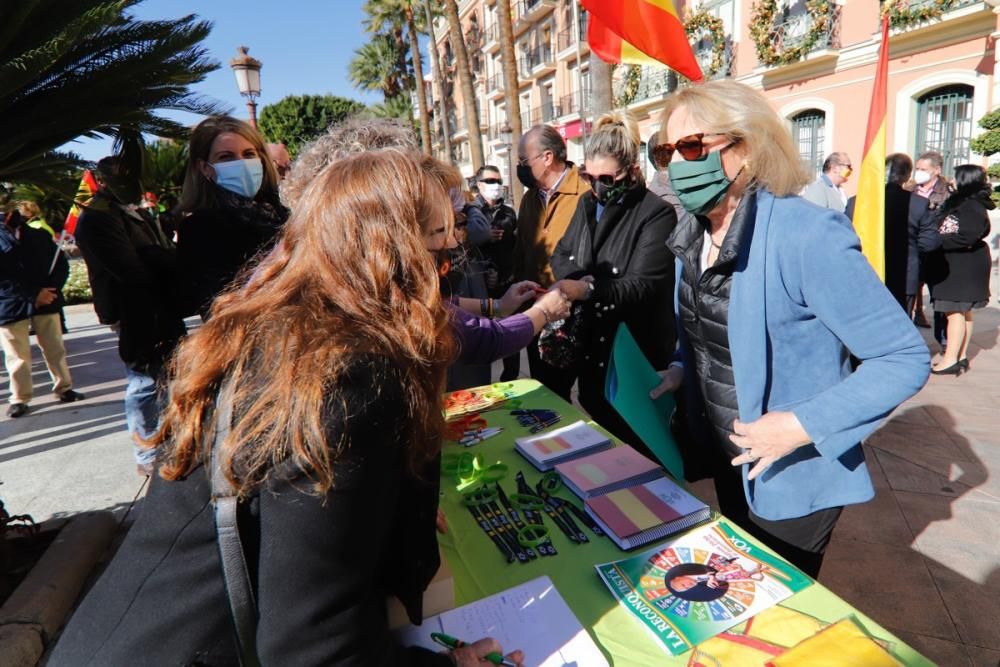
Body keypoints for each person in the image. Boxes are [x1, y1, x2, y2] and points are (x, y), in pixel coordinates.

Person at [48, 150, 523, 667]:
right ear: (392, 252)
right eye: (439, 240)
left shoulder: (280, 329)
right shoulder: (354, 379)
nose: (451, 256)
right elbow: (312, 649)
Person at [649, 80, 929, 578]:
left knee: (774, 602)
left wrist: (797, 427)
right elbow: (701, 325)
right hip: (729, 454)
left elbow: (902, 357)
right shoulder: (689, 233)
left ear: (749, 149)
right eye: (666, 150)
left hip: (792, 468)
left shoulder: (807, 235)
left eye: (693, 146)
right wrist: (678, 366)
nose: (676, 164)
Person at [285, 117, 573, 377]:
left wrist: (497, 305)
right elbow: (482, 337)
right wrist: (543, 311)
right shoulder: (349, 328)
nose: (450, 242)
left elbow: (439, 307)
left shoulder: (359, 282)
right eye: (436, 230)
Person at [549, 111, 677, 446]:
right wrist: (576, 282)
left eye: (606, 178)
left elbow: (643, 285)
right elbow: (560, 254)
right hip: (591, 344)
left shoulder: (657, 213)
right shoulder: (585, 204)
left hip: (632, 351)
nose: (596, 187)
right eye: (588, 177)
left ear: (633, 170)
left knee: (637, 444)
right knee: (601, 428)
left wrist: (588, 288)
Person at [75, 156, 186, 475]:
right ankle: (147, 453)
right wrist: (163, 261)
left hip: (157, 307)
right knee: (145, 382)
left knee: (166, 377)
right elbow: (130, 269)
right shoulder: (98, 218)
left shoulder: (128, 209)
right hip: (134, 311)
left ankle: (171, 442)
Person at [176, 115, 289, 319]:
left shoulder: (284, 214)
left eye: (248, 154)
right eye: (226, 157)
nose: (242, 164)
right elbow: (215, 306)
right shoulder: (199, 229)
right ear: (204, 167)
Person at [512, 125, 589, 399]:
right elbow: (522, 250)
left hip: (577, 313)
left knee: (588, 395)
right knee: (547, 393)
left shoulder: (586, 191)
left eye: (523, 161)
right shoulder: (529, 199)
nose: (519, 168)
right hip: (537, 310)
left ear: (547, 157)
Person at [0, 210, 83, 418]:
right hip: (11, 305)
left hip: (46, 301)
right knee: (16, 356)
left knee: (55, 347)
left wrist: (51, 291)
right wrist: (33, 294)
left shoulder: (38, 236)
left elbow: (59, 264)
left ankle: (64, 388)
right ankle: (19, 398)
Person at [845, 153, 940, 309]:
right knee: (901, 328)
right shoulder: (918, 203)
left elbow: (844, 234)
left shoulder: (857, 201)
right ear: (908, 175)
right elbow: (930, 242)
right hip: (903, 275)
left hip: (866, 273)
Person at [924, 165, 994, 375]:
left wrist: (937, 241)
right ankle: (960, 356)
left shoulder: (971, 204)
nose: (952, 180)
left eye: (956, 177)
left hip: (961, 266)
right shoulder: (968, 202)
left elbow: (967, 236)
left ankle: (950, 359)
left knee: (954, 311)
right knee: (963, 312)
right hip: (960, 263)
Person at [465, 165, 520, 381]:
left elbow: (515, 247)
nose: (495, 185)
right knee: (482, 339)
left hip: (506, 284)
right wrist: (485, 237)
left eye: (498, 180)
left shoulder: (508, 212)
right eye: (489, 181)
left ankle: (510, 383)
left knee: (511, 340)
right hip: (478, 290)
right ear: (478, 184)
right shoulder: (470, 213)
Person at [912, 151, 951, 328]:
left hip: (937, 246)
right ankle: (918, 311)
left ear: (936, 170)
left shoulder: (947, 192)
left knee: (938, 287)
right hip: (915, 245)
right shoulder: (910, 189)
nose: (918, 172)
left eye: (923, 169)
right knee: (915, 283)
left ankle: (942, 327)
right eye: (917, 168)